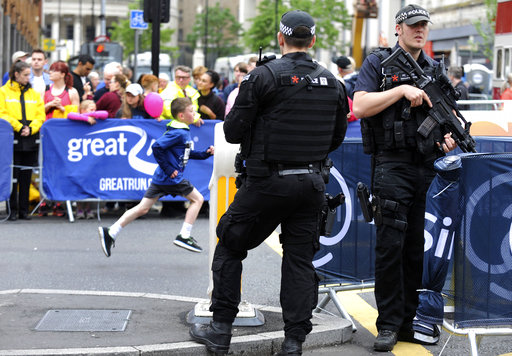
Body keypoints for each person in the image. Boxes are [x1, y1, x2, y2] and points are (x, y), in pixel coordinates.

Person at [189, 10, 348, 356]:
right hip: (311, 184)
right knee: (299, 260)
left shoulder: (262, 77)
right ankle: (293, 342)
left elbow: (231, 131)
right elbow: (337, 137)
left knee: (230, 245)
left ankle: (219, 333)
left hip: (267, 183)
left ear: (281, 38)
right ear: (313, 41)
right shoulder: (333, 82)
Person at [352, 4, 457, 352]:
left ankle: (408, 322)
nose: (419, 30)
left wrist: (446, 137)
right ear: (398, 28)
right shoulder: (378, 63)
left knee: (414, 248)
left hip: (423, 165)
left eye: (424, 25)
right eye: (413, 25)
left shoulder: (433, 69)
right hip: (391, 165)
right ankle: (388, 325)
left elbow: (441, 121)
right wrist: (400, 91)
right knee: (390, 247)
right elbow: (361, 107)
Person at [98, 97, 214, 257]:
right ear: (181, 115)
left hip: (161, 178)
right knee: (198, 199)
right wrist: (169, 169)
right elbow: (157, 147)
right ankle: (184, 235)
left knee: (143, 208)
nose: (194, 113)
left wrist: (205, 154)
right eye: (191, 111)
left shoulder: (183, 131)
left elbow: (186, 153)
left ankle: (111, 231)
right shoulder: (179, 132)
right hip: (171, 178)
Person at [0, 61, 45, 220]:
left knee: (26, 174)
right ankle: (12, 209)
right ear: (16, 74)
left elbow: (40, 115)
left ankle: (24, 210)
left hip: (30, 136)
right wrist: (19, 127)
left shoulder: (33, 93)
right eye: (26, 75)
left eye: (29, 75)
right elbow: (2, 113)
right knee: (13, 174)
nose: (28, 78)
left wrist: (31, 128)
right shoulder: (4, 92)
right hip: (13, 135)